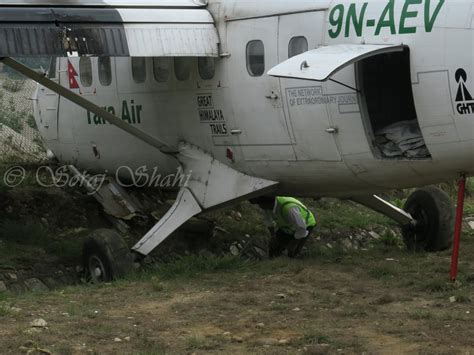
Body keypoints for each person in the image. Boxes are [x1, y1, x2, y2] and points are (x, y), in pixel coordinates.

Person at [251, 196, 316, 258]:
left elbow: (301, 227)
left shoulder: (289, 208)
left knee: (293, 251)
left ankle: (295, 261)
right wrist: (273, 236)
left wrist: (294, 243)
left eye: (259, 204)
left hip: (305, 225)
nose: (259, 206)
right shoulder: (267, 207)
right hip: (287, 227)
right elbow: (268, 221)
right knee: (273, 248)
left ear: (266, 204)